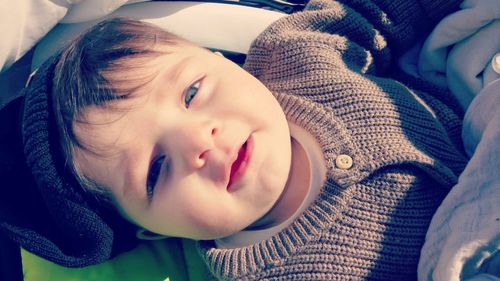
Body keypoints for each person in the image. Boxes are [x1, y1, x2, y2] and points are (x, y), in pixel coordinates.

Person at [0, 0, 470, 279]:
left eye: (191, 93)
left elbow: (376, 12)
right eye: (158, 168)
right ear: (151, 230)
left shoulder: (296, 55)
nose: (198, 141)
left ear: (226, 61)